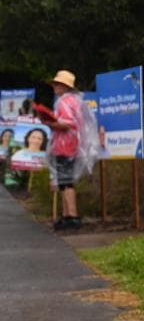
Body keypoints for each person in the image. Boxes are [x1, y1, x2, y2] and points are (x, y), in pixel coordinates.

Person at [46, 70, 86, 230]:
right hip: (71, 144)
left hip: (64, 145)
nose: (54, 86)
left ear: (64, 86)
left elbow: (67, 124)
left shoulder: (64, 102)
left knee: (66, 182)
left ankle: (72, 216)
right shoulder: (74, 101)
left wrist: (50, 123)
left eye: (57, 84)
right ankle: (67, 214)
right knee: (65, 181)